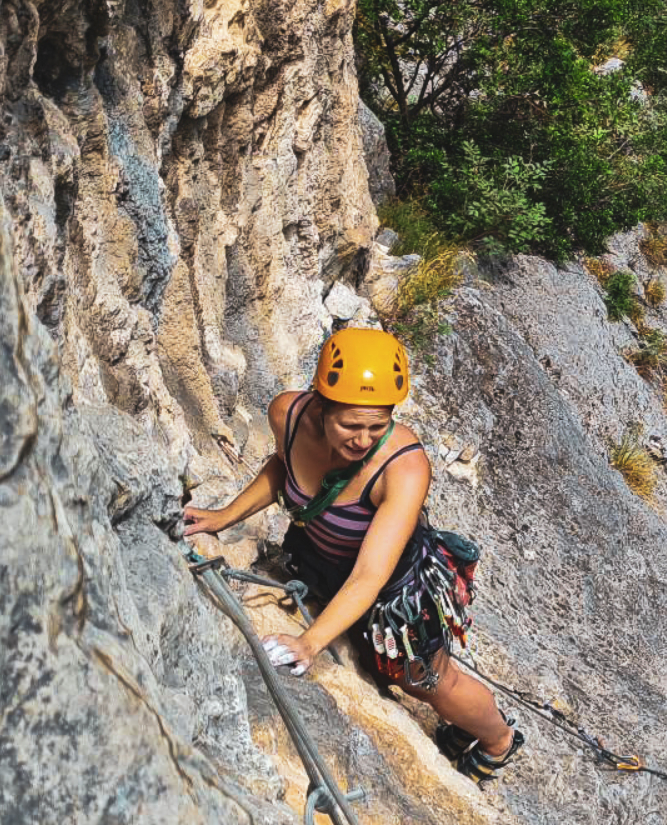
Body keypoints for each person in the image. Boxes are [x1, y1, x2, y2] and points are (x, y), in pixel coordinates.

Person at [182, 327, 524, 782]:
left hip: (395, 593)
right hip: (321, 561)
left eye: (377, 426)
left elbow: (369, 575)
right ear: (320, 406)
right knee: (381, 667)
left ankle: (499, 740)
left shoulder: (402, 466)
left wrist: (309, 643)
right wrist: (223, 516)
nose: (363, 440)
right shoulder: (286, 413)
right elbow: (284, 466)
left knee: (426, 683)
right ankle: (463, 731)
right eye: (351, 425)